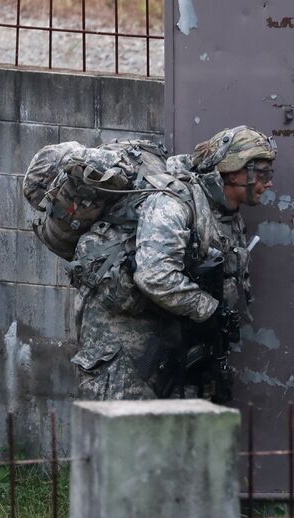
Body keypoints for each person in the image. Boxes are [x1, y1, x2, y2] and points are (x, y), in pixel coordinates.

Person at [68, 125, 275, 402]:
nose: (269, 182)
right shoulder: (173, 203)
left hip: (166, 341)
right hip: (122, 341)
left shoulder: (226, 213)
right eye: (262, 174)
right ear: (233, 171)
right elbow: (155, 274)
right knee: (120, 437)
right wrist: (209, 309)